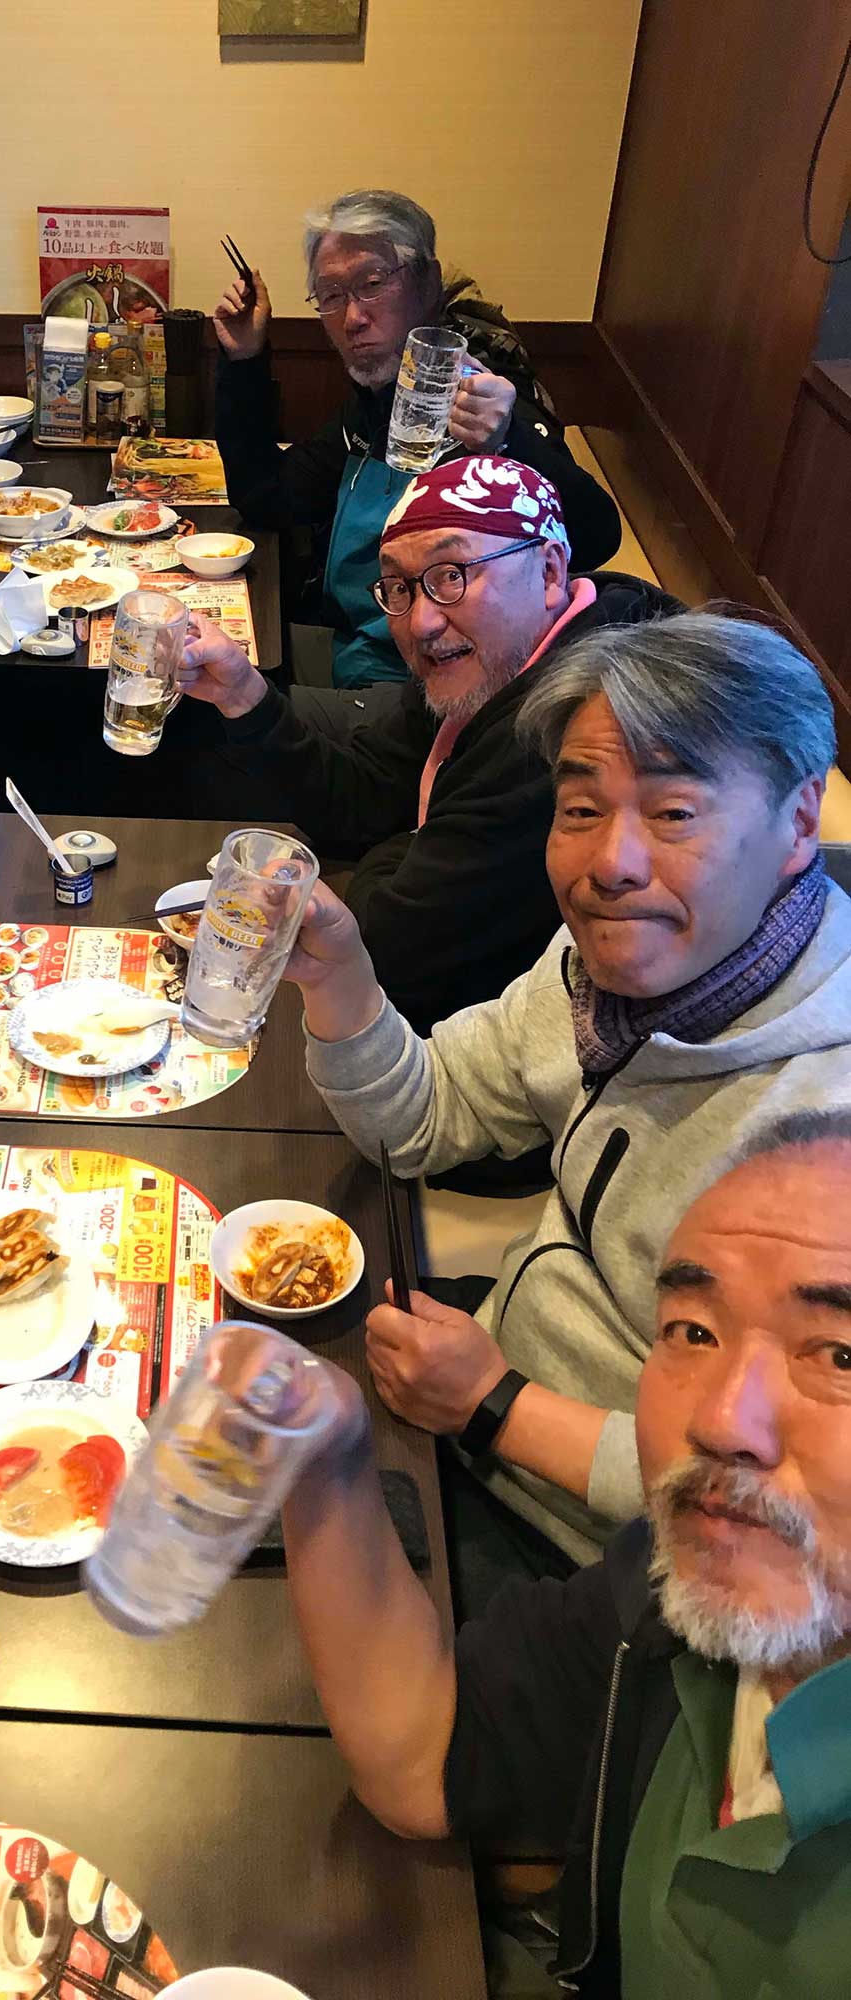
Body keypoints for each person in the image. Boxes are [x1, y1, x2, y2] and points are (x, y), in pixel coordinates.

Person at [286, 611, 851, 1606]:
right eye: (581, 808)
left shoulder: (824, 1132)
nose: (611, 863)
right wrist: (338, 975)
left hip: (615, 1578)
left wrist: (498, 1404)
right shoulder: (607, 970)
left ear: (799, 822)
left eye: (674, 812)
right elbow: (421, 1119)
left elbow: (793, 1499)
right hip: (484, 1377)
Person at [282, 1111, 851, 1997]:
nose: (719, 1420)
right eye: (693, 1331)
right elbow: (425, 1756)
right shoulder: (677, 1596)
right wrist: (318, 1455)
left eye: (840, 1355)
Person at [177, 456, 674, 1032]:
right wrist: (242, 694)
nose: (421, 623)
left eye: (452, 576)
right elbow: (360, 802)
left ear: (549, 573)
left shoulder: (579, 732)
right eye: (400, 588)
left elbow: (393, 950)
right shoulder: (484, 665)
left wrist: (401, 846)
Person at [212, 189, 622, 691]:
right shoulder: (374, 401)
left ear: (428, 282)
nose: (352, 318)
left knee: (214, 707)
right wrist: (244, 361)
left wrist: (506, 439)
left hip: (428, 689)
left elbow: (596, 536)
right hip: (351, 653)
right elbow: (269, 496)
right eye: (331, 295)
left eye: (372, 283)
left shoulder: (480, 392)